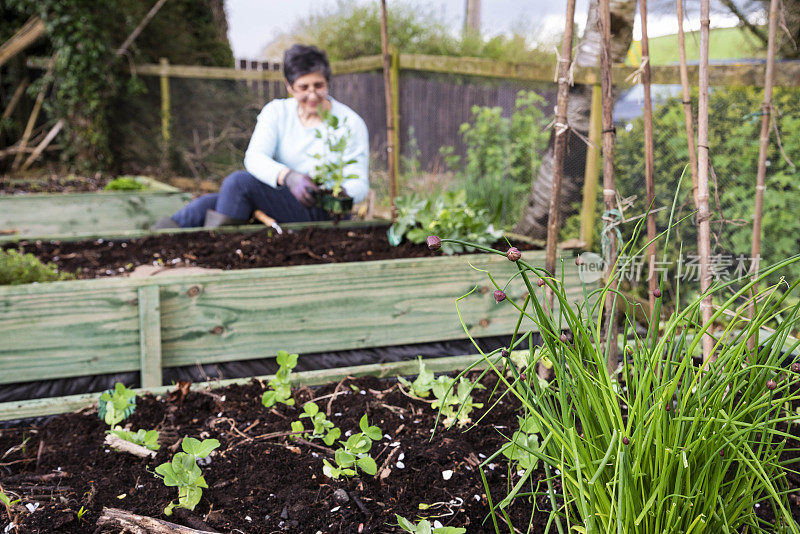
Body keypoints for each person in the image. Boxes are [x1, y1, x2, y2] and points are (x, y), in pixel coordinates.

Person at [154, 44, 369, 229]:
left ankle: (224, 251)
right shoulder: (277, 112)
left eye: (319, 86)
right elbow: (255, 158)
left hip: (322, 212)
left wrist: (334, 196)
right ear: (289, 85)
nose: (312, 95)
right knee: (205, 205)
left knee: (237, 184)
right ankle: (156, 237)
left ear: (327, 82)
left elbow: (359, 182)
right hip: (283, 199)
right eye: (303, 87)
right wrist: (289, 177)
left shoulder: (349, 123)